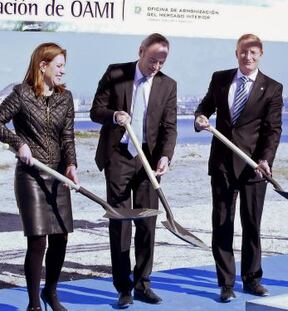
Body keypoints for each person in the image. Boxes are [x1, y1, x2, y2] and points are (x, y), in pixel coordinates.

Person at [90, 33, 177, 308]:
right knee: (120, 223)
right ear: (141, 51)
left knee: (147, 224)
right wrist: (114, 116)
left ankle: (142, 284)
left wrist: (165, 156)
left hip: (149, 162)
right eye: (153, 60)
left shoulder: (168, 85)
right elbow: (95, 110)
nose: (156, 67)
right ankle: (123, 288)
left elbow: (169, 127)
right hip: (118, 156)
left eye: (162, 62)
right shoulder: (116, 73)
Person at [194, 33, 283, 302]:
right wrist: (200, 118)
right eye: (244, 52)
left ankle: (253, 279)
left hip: (254, 167)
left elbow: (273, 130)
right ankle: (226, 283)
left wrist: (266, 160)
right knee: (222, 224)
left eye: (253, 52)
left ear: (261, 54)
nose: (248, 57)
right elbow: (205, 107)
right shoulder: (220, 78)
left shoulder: (272, 87)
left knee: (252, 224)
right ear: (236, 53)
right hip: (222, 164)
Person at [0, 43, 78, 311]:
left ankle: (51, 292)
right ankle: (34, 304)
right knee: (38, 240)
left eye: (63, 68)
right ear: (42, 66)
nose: (62, 72)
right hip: (31, 176)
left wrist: (71, 166)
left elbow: (67, 136)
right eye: (58, 66)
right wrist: (18, 143)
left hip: (57, 175)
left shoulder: (65, 98)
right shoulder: (21, 94)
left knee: (61, 237)